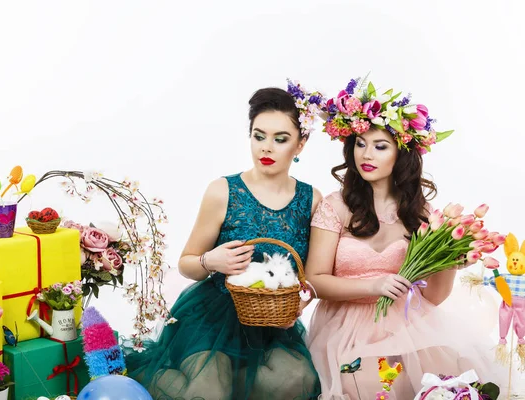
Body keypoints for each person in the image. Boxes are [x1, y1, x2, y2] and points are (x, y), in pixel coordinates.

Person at [303, 77, 505, 399]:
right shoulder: (335, 207)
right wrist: (374, 285)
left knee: (451, 381)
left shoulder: (421, 212)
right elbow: (313, 281)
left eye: (380, 146)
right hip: (345, 329)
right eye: (360, 143)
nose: (366, 154)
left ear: (402, 153)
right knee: (376, 387)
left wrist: (451, 258)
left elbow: (434, 298)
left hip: (407, 323)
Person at [125, 80, 324, 400]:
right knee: (209, 393)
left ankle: (234, 383)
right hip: (212, 317)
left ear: (300, 144)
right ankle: (158, 376)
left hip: (272, 325)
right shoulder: (223, 191)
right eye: (259, 136)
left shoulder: (311, 199)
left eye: (280, 139)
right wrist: (210, 260)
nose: (266, 148)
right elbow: (187, 262)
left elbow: (311, 275)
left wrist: (303, 299)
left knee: (294, 381)